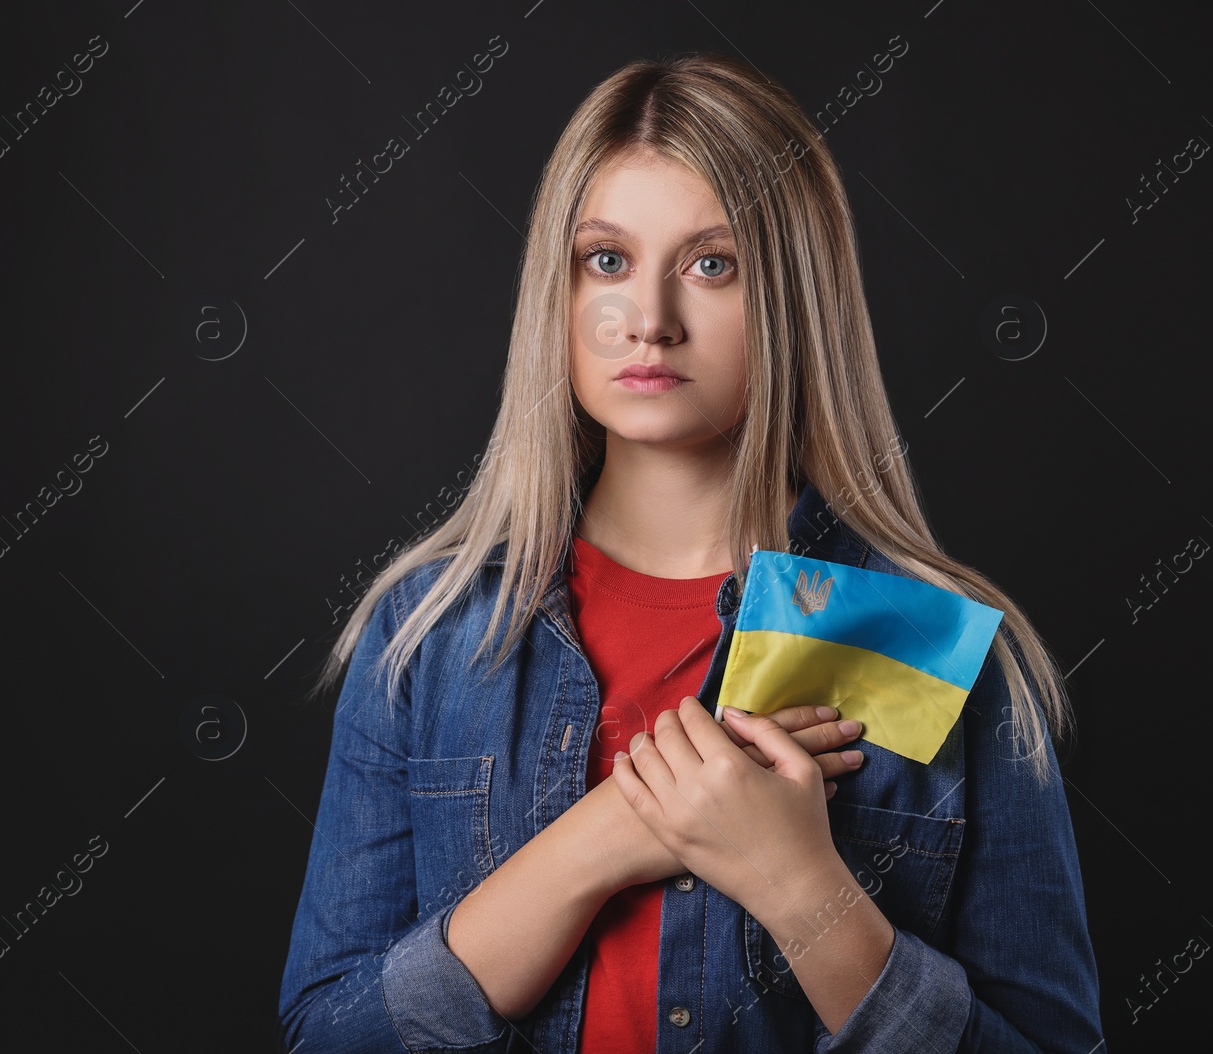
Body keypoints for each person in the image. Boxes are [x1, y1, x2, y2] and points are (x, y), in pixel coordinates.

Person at [276, 52, 1102, 1053]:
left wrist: (798, 885)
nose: (650, 321)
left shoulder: (932, 647)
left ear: (793, 297)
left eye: (712, 265)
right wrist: (603, 839)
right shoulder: (427, 634)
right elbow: (328, 1034)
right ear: (560, 288)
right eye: (607, 261)